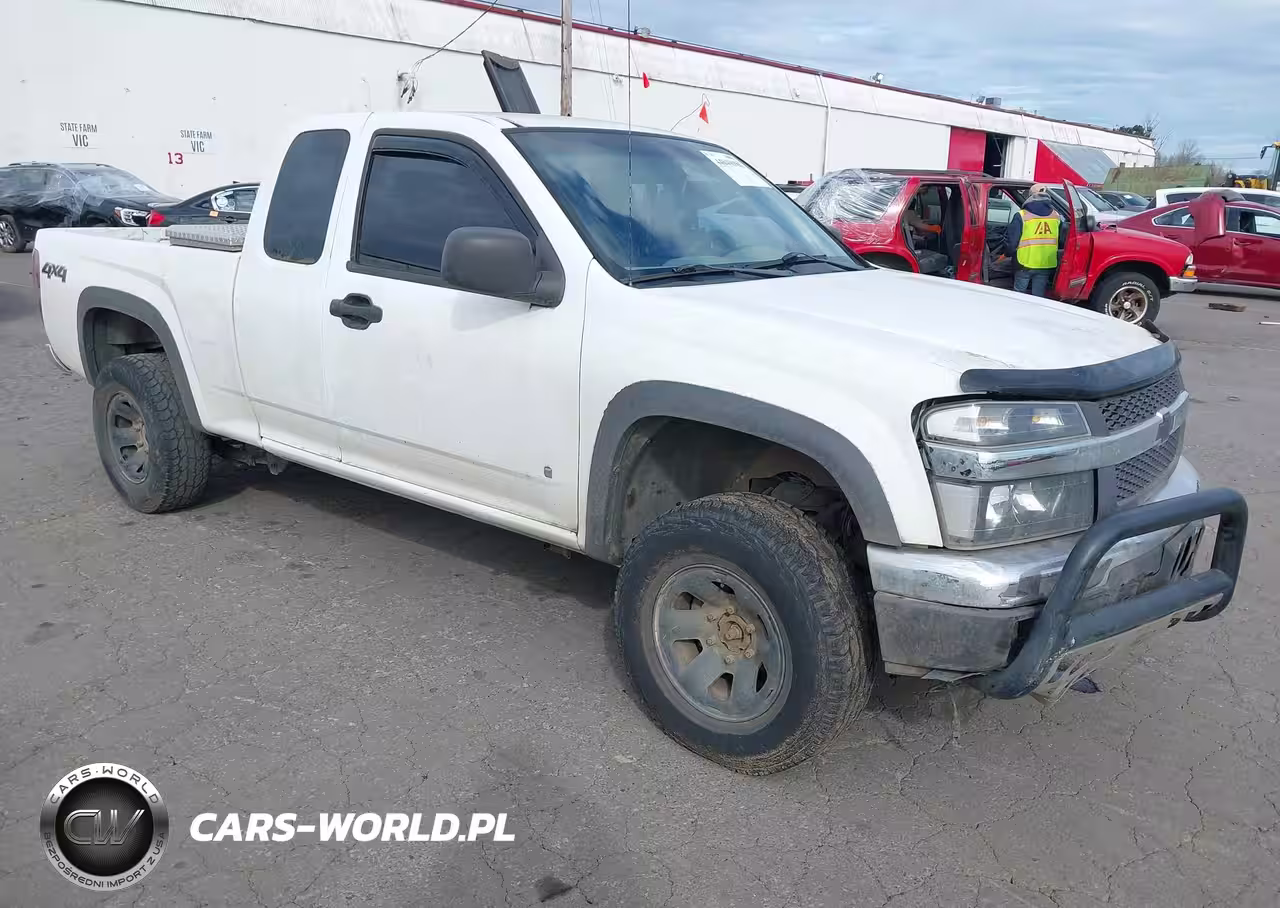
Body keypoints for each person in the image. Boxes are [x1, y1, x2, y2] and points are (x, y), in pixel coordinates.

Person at [1005, 185, 1062, 297]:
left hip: (1024, 263)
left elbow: (1012, 243)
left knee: (1019, 296)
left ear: (1030, 196)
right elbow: (1059, 239)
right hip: (1045, 263)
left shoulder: (1021, 215)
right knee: (1038, 297)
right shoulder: (1056, 216)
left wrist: (1007, 254)